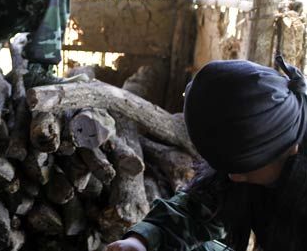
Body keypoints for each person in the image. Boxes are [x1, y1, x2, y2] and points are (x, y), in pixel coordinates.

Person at [106, 56, 307, 251]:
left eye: (243, 168)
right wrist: (142, 240)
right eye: (226, 167)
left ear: (286, 148)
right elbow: (199, 208)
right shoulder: (261, 148)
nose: (234, 177)